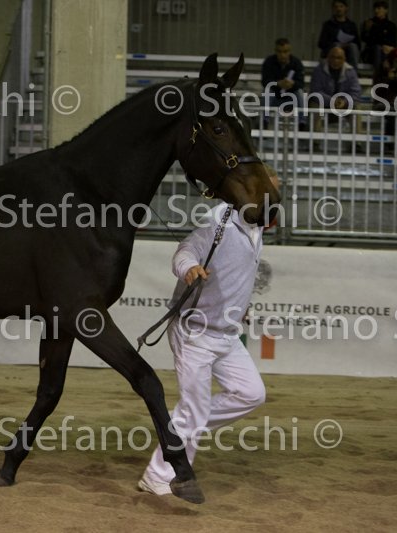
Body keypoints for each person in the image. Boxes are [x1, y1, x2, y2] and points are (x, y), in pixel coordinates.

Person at [137, 169, 280, 497]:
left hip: (226, 333)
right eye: (271, 193)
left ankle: (185, 423)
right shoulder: (219, 222)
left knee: (250, 393)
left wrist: (239, 305)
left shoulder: (256, 227)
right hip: (195, 332)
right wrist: (189, 268)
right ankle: (157, 476)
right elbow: (185, 250)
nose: (276, 200)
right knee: (194, 410)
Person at [261, 38, 307, 130]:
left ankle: (302, 123)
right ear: (275, 51)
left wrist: (292, 84)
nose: (282, 55)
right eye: (280, 52)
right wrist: (278, 83)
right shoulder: (269, 62)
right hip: (275, 96)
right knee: (267, 92)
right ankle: (264, 121)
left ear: (289, 51)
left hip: (291, 97)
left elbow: (301, 83)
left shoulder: (296, 63)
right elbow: (265, 81)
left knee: (300, 93)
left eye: (285, 51)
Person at [310, 46, 362, 111]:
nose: (335, 60)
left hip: (344, 104)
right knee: (314, 105)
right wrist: (332, 101)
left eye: (339, 58)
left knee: (356, 106)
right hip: (324, 103)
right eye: (333, 57)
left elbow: (355, 92)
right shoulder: (319, 70)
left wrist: (344, 102)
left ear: (344, 59)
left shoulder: (350, 72)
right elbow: (316, 91)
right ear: (328, 58)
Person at [318, 0, 362, 68]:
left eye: (341, 6)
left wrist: (347, 44)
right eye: (336, 7)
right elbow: (321, 43)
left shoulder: (351, 25)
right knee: (337, 45)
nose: (338, 9)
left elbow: (358, 44)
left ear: (346, 8)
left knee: (353, 46)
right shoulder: (328, 24)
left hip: (347, 52)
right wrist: (335, 44)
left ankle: (353, 71)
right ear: (333, 9)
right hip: (332, 50)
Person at [361, 1, 397, 71]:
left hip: (387, 52)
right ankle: (378, 73)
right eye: (375, 9)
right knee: (378, 48)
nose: (376, 11)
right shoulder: (369, 23)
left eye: (378, 8)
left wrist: (390, 48)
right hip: (372, 52)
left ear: (386, 10)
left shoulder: (391, 25)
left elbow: (394, 44)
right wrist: (367, 30)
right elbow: (365, 39)